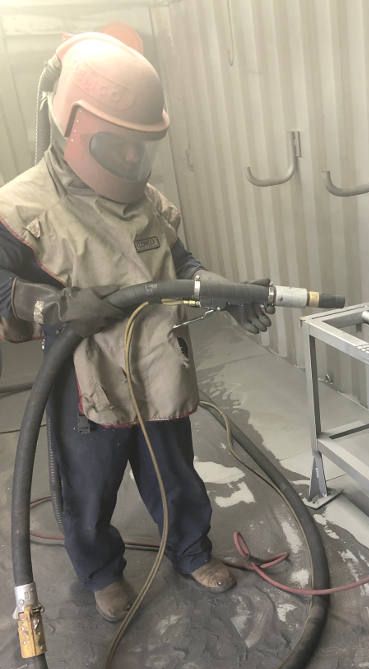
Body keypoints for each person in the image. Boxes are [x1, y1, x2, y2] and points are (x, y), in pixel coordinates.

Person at [0, 32, 272, 622]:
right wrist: (49, 306)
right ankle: (101, 574)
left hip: (155, 360)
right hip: (82, 373)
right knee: (87, 487)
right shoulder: (22, 209)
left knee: (174, 472)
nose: (131, 161)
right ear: (72, 127)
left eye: (139, 148)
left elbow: (181, 267)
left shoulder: (152, 203)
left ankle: (191, 551)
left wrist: (224, 291)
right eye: (117, 146)